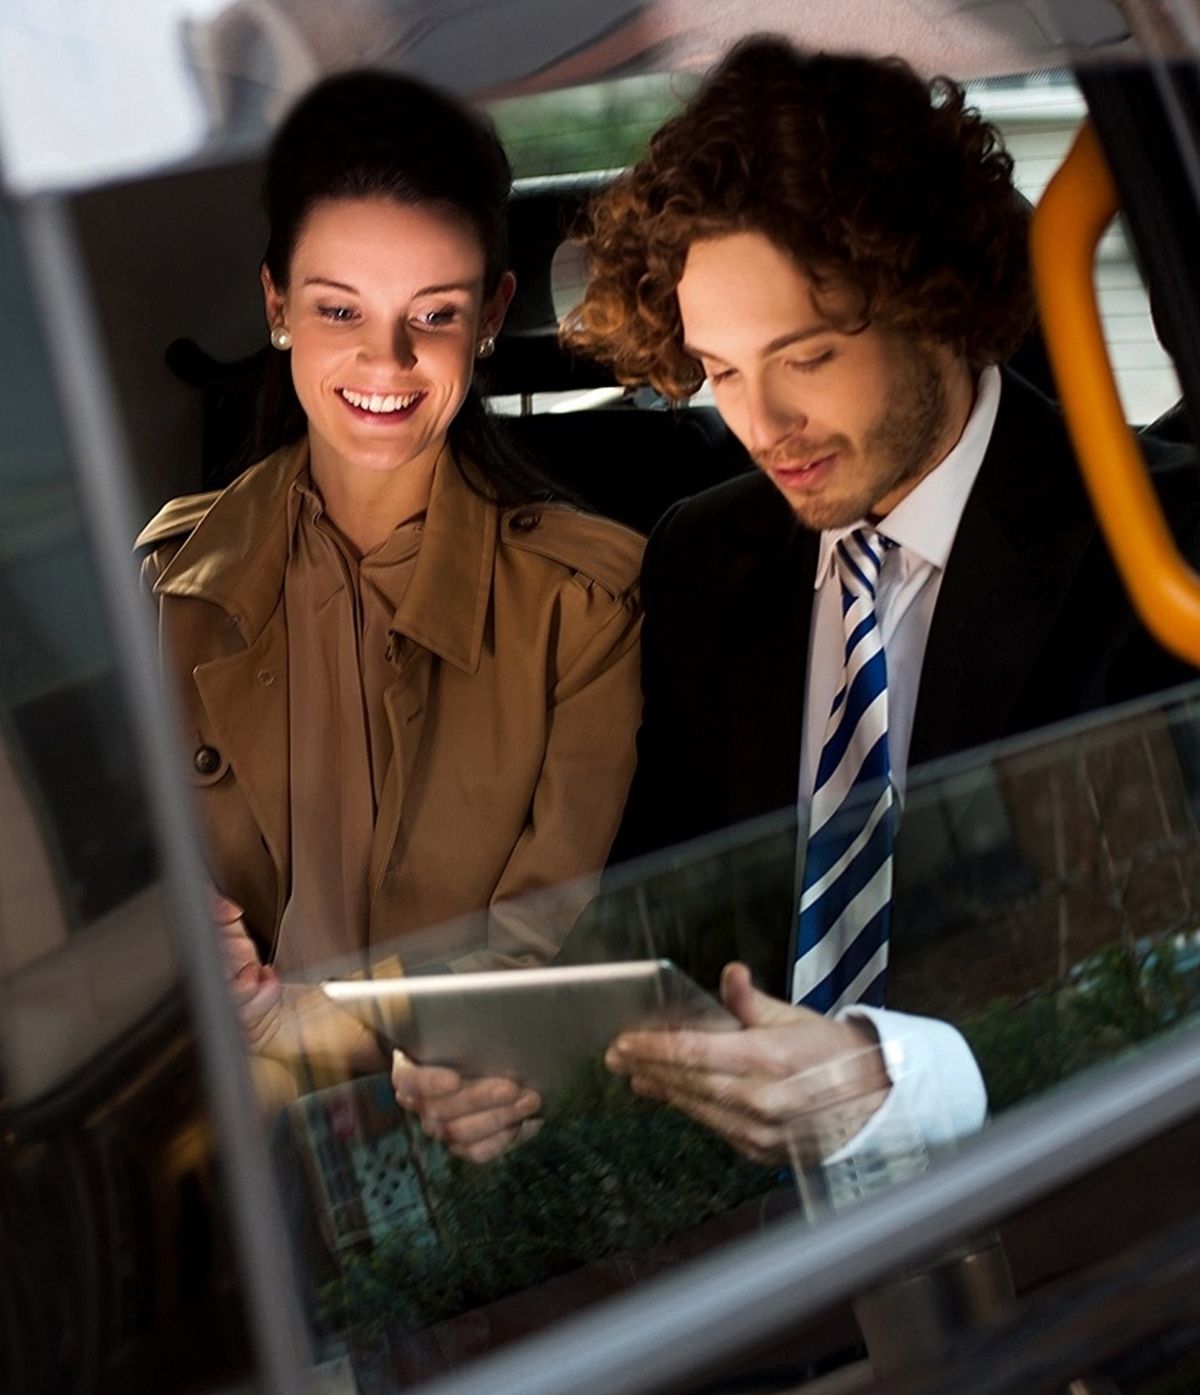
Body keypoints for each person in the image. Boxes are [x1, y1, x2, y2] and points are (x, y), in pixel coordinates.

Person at [559, 37, 1200, 1161]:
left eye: (806, 357)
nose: (761, 426)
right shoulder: (704, 560)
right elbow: (661, 923)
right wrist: (540, 1069)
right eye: (721, 371)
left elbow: (1172, 974)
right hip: (769, 1218)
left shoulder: (1162, 546)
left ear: (930, 296)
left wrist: (901, 1079)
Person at [137, 71, 644, 1152]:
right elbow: (132, 897)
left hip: (465, 1121)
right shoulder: (168, 583)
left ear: (492, 316)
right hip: (225, 1137)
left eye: (435, 315)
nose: (387, 361)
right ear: (277, 306)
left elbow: (539, 951)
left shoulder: (589, 605)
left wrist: (330, 1037)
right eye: (339, 310)